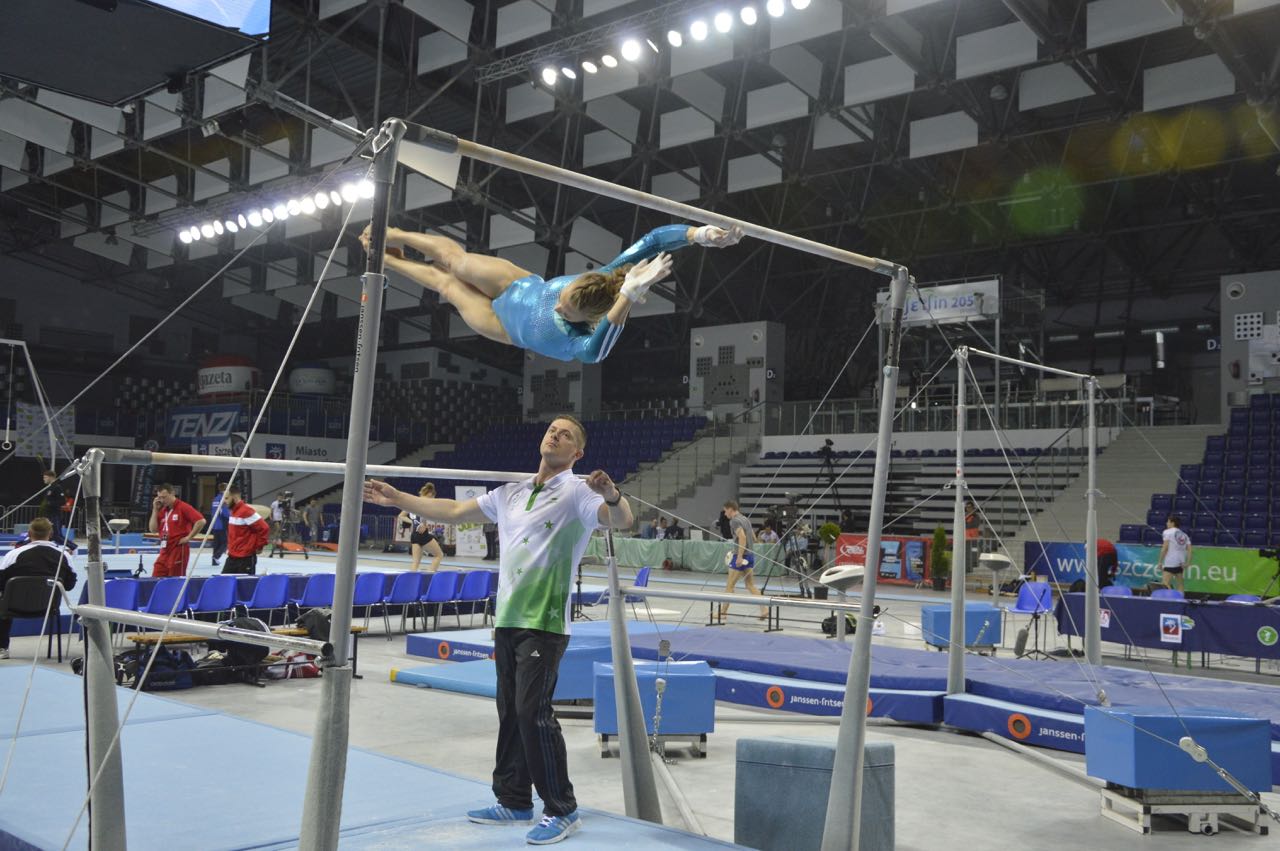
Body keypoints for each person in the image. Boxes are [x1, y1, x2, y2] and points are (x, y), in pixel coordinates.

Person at [363, 415, 633, 845]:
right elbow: (453, 511)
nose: (556, 435)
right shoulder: (511, 493)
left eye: (566, 434)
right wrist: (397, 497)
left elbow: (621, 520)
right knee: (509, 712)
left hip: (544, 623)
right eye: (552, 430)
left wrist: (612, 495)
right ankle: (514, 799)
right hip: (507, 618)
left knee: (532, 713)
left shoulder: (578, 493)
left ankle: (562, 808)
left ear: (577, 453)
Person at [361, 223, 742, 363]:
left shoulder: (582, 339)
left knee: (446, 284)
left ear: (588, 319)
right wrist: (701, 235)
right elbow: (654, 239)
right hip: (516, 285)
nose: (558, 306)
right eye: (563, 296)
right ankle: (393, 234)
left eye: (565, 310)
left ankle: (387, 260)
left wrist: (629, 295)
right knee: (456, 262)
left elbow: (596, 354)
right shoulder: (605, 276)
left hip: (503, 327)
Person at [0, 518, 78, 660]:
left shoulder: (13, 555)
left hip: (14, 606)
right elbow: (69, 585)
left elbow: (1, 582)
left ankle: (2, 647)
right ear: (51, 533)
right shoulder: (64, 556)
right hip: (49, 606)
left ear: (29, 533)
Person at [718, 500, 766, 620]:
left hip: (741, 556)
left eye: (725, 511)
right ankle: (764, 609)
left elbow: (742, 538)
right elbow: (753, 536)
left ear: (730, 509)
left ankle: (723, 613)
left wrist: (739, 556)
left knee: (729, 586)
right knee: (750, 585)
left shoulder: (734, 521)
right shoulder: (745, 519)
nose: (725, 514)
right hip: (750, 556)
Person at [149, 484, 205, 578]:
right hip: (165, 550)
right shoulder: (162, 510)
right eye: (160, 497)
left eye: (164, 497)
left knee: (175, 580)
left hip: (178, 549)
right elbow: (153, 529)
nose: (162, 500)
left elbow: (201, 521)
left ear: (173, 493)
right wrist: (155, 510)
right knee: (156, 576)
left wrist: (189, 537)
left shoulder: (183, 507)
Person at [222, 484, 269, 575]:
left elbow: (264, 527)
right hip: (232, 556)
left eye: (226, 498)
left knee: (245, 584)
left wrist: (259, 546)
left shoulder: (246, 511)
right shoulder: (233, 512)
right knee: (223, 581)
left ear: (234, 497)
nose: (224, 501)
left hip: (245, 558)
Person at [396, 484, 444, 573]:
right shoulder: (426, 504)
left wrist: (414, 522)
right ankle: (430, 574)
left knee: (416, 562)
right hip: (422, 534)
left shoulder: (412, 503)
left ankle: (412, 579)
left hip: (414, 535)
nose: (432, 499)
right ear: (430, 494)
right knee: (439, 555)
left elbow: (401, 516)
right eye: (432, 497)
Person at [1156, 515, 1191, 593]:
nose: (1166, 523)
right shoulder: (1184, 535)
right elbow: (1190, 550)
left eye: (1168, 521)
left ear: (1172, 523)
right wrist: (1187, 563)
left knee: (1165, 584)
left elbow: (1164, 548)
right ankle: (1180, 598)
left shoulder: (1167, 532)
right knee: (1180, 584)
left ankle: (1172, 597)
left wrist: (1160, 562)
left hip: (1170, 562)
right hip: (1180, 563)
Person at [38, 470, 65, 540]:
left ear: (51, 477)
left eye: (45, 477)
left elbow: (62, 501)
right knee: (49, 535)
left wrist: (50, 503)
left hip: (55, 515)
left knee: (56, 536)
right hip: (48, 515)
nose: (44, 479)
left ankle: (72, 546)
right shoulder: (49, 488)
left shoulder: (57, 487)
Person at [209, 483, 229, 567]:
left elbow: (213, 511)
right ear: (226, 489)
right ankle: (216, 556)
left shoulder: (215, 499)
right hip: (221, 524)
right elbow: (225, 513)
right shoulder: (223, 499)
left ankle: (214, 561)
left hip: (214, 524)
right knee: (225, 542)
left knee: (216, 543)